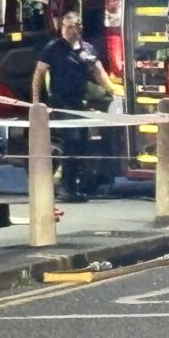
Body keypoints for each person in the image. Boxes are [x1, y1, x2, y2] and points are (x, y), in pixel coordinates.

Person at [31, 11, 114, 202]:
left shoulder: (88, 49)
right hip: (61, 104)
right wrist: (37, 103)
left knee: (83, 143)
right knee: (74, 141)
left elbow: (99, 73)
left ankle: (76, 185)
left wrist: (115, 91)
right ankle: (67, 188)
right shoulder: (52, 48)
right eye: (66, 27)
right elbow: (38, 76)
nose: (69, 31)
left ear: (79, 28)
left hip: (81, 104)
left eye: (73, 26)